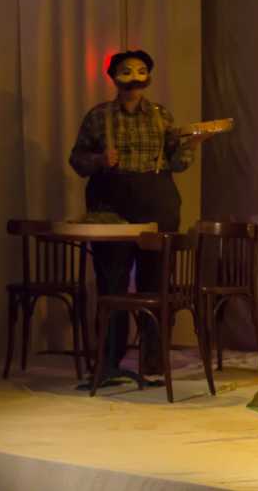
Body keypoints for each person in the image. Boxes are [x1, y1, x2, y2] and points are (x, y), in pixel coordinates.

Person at [69, 49, 195, 377]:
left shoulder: (161, 116)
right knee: (112, 282)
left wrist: (191, 145)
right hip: (111, 205)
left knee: (156, 282)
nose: (134, 78)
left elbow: (177, 163)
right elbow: (77, 160)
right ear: (113, 77)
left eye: (141, 71)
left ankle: (153, 358)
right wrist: (99, 160)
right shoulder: (99, 117)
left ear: (148, 77)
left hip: (156, 202)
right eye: (126, 71)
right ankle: (109, 359)